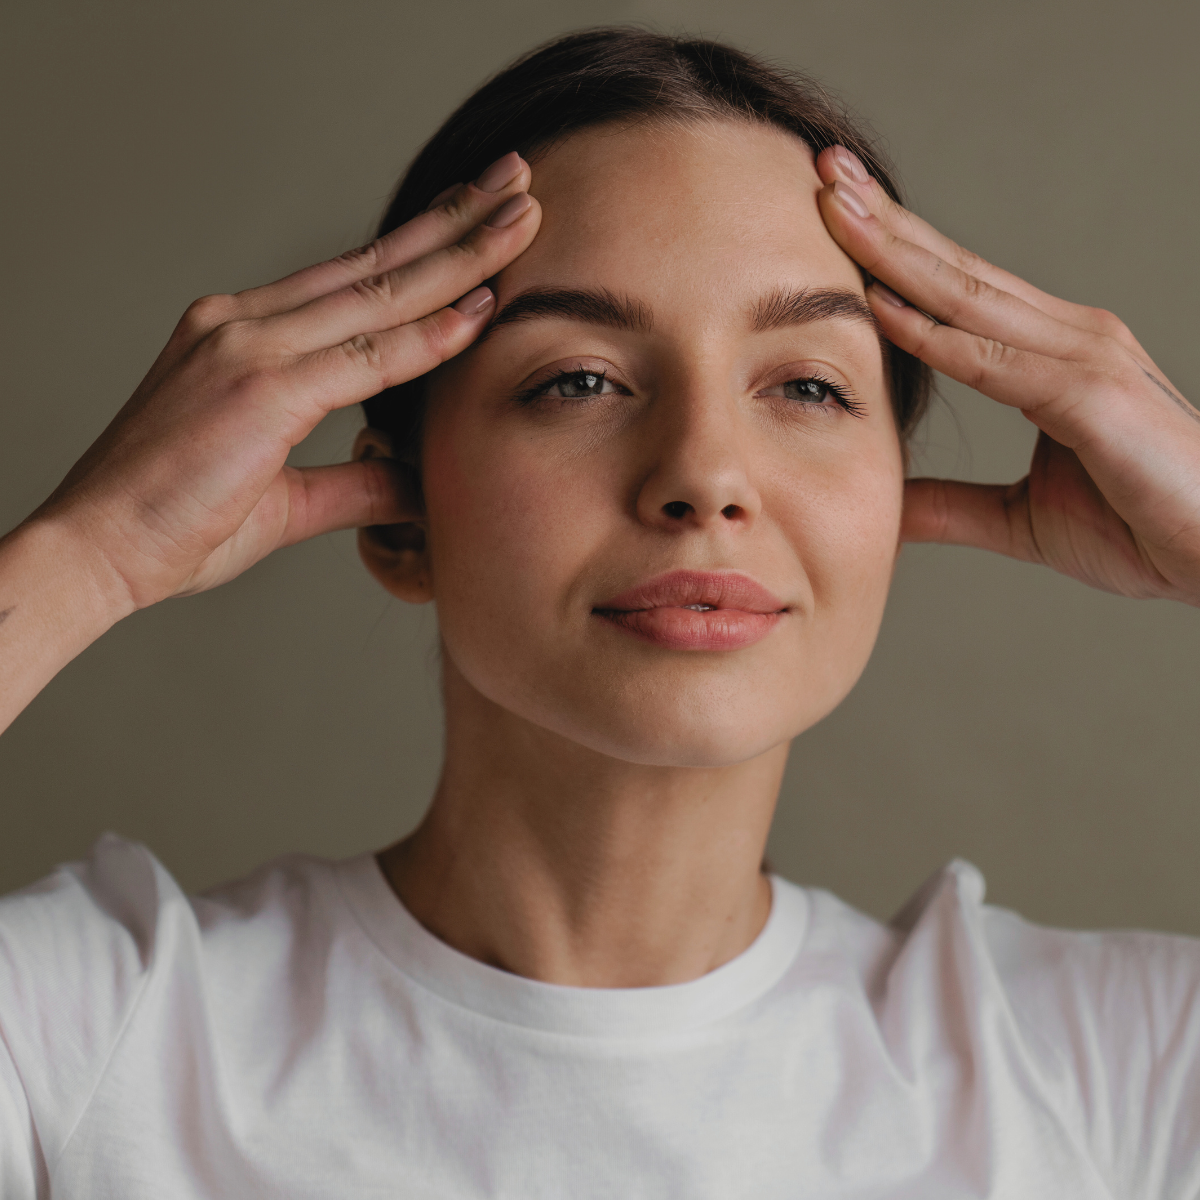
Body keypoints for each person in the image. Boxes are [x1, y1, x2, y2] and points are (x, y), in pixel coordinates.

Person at [1, 26, 1198, 1199]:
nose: (706, 475)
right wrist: (92, 556)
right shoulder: (91, 1046)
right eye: (578, 379)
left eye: (808, 386)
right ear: (400, 516)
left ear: (888, 491)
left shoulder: (1117, 1074)